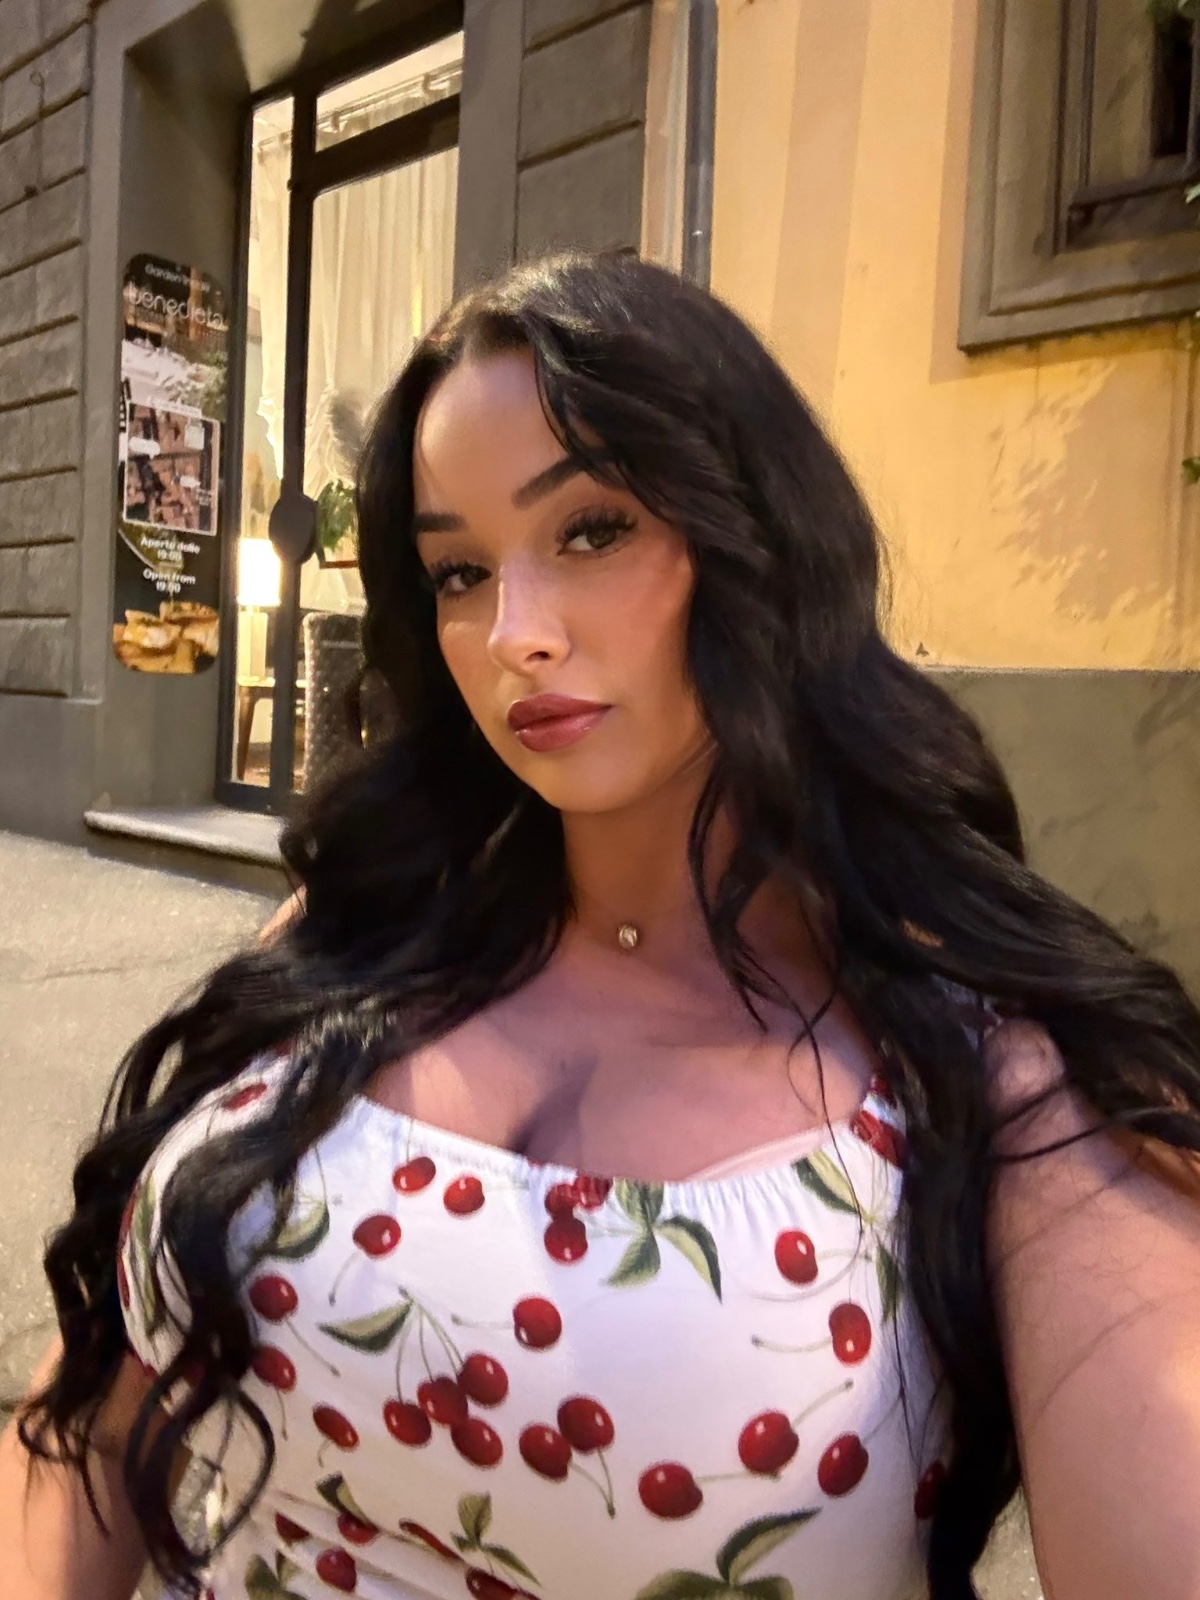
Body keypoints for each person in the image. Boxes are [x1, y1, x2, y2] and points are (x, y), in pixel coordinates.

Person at [4, 253, 1199, 1600]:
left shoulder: (999, 1087)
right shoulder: (364, 922)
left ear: (755, 539)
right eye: (458, 571)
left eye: (590, 531)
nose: (512, 633)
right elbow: (89, 1418)